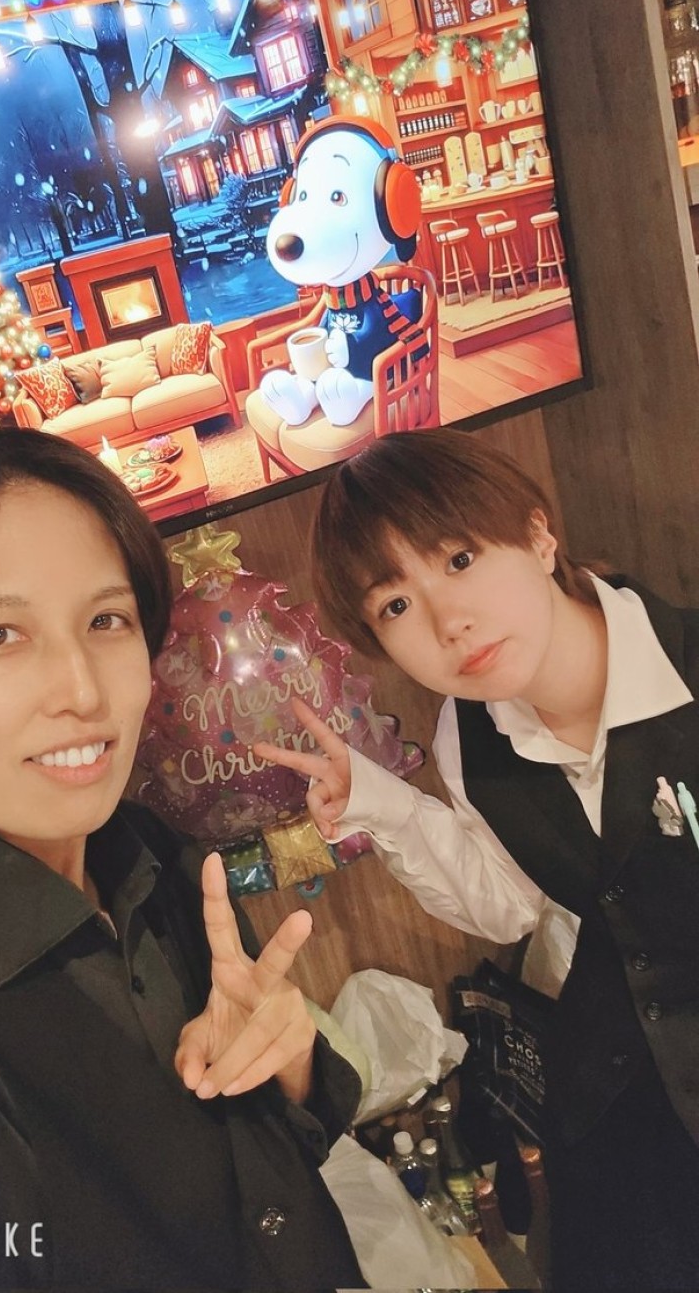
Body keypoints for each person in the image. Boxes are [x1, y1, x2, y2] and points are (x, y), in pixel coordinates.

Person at [0, 428, 365, 1292]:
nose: (82, 689)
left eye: (106, 620)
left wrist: (289, 1062)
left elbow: (281, 1164)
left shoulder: (147, 850)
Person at [256, 427, 699, 1293]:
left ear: (538, 534)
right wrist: (379, 801)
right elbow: (510, 903)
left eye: (459, 559)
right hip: (621, 1103)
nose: (447, 622)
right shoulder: (471, 733)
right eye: (394, 606)